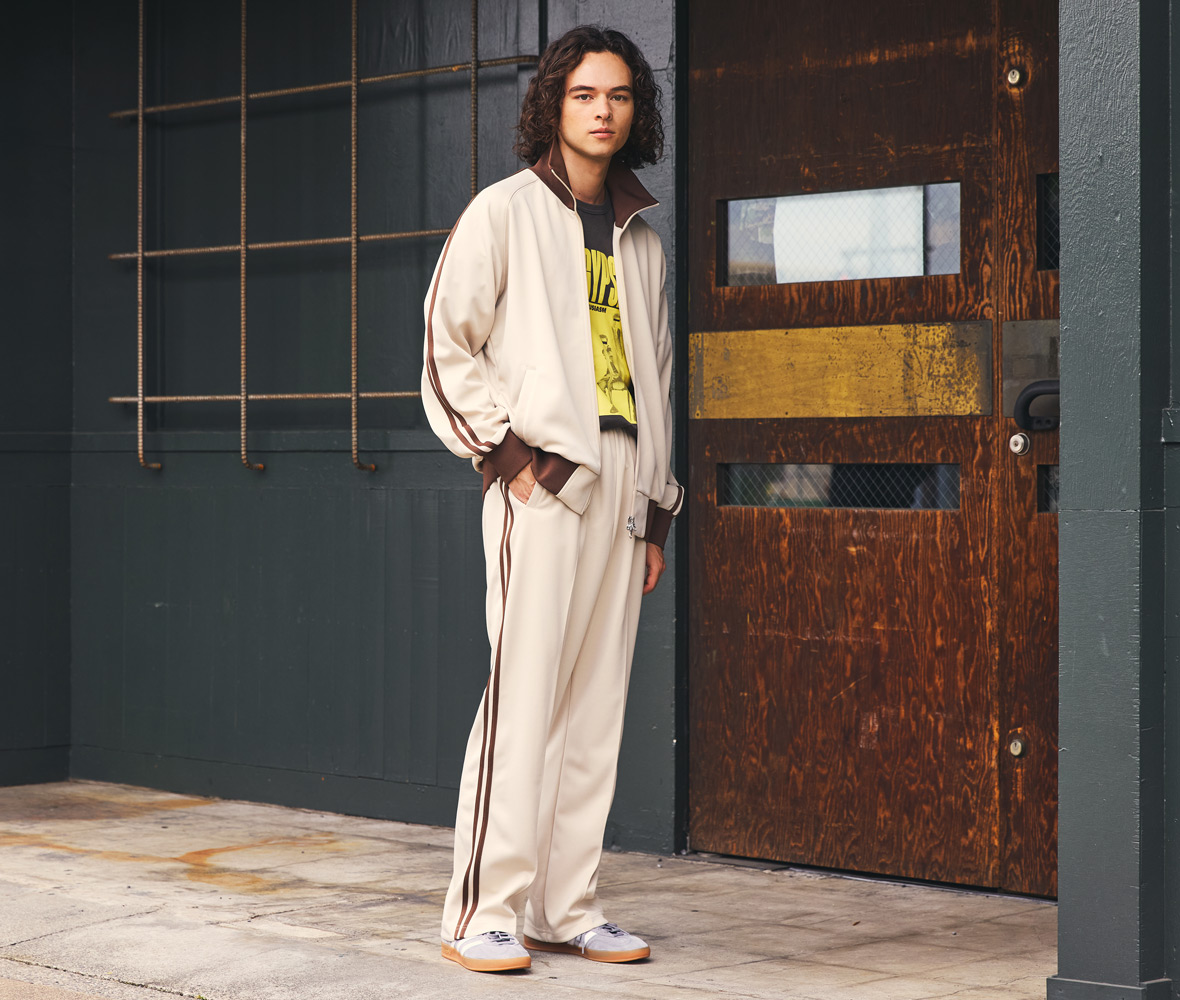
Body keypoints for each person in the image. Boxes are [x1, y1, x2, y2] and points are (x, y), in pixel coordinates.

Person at [421, 24, 682, 974]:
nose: (602, 111)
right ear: (554, 105)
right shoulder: (501, 213)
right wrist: (511, 462)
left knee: (595, 713)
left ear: (635, 110)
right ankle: (481, 912)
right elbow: (446, 350)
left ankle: (565, 907)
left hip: (623, 499)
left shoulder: (642, 240)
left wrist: (655, 514)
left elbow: (654, 379)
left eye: (618, 95)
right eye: (584, 94)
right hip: (543, 489)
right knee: (522, 703)